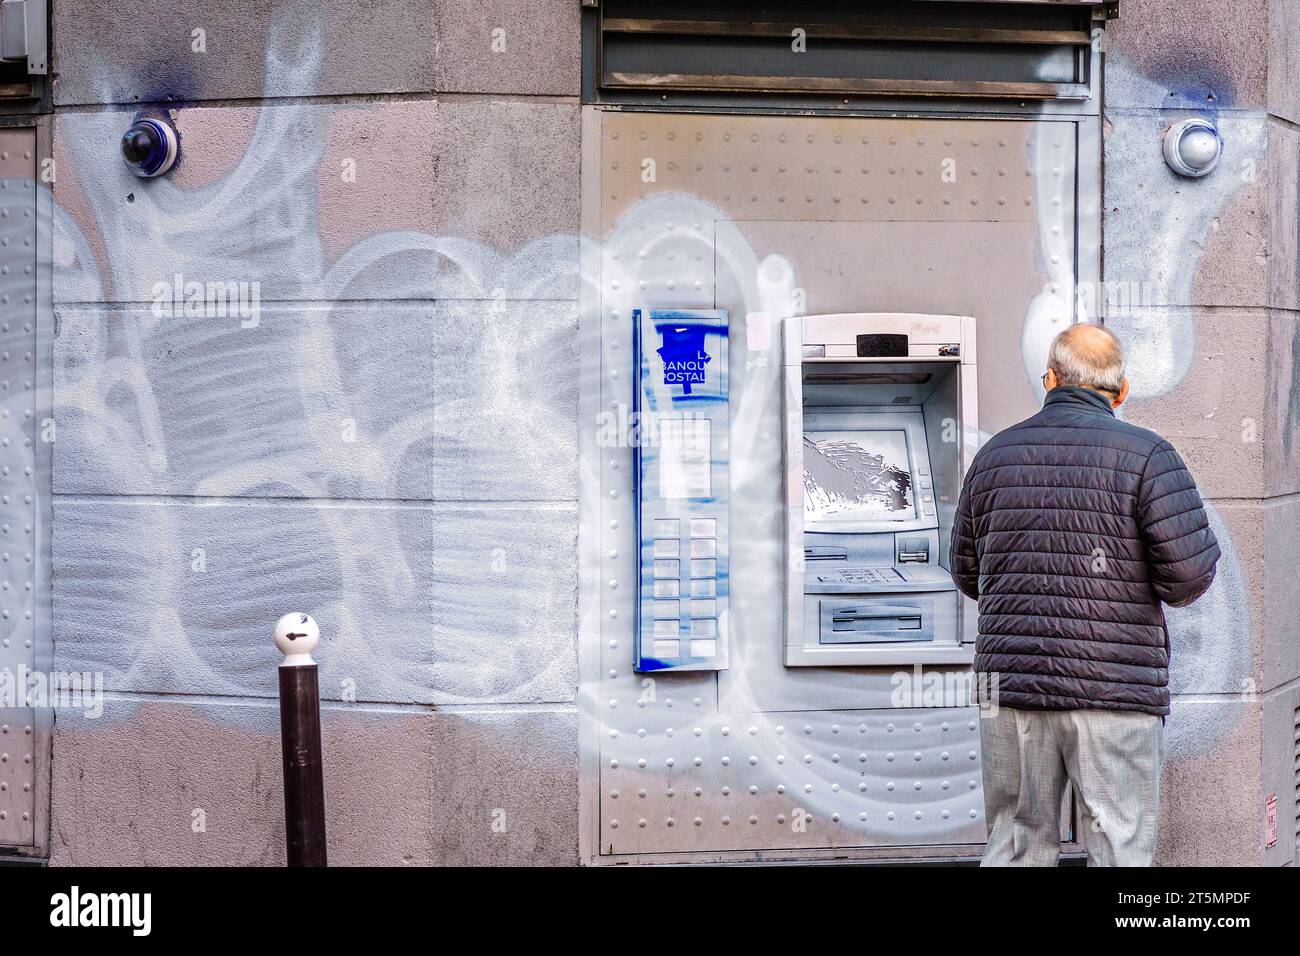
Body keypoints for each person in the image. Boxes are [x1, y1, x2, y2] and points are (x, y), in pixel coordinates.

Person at [949, 323, 1220, 866]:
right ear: (1121, 391)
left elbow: (967, 572)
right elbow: (1189, 576)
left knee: (1015, 844)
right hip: (1114, 689)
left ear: (1049, 379)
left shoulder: (996, 456)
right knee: (1119, 846)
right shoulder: (1148, 456)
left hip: (1014, 688)